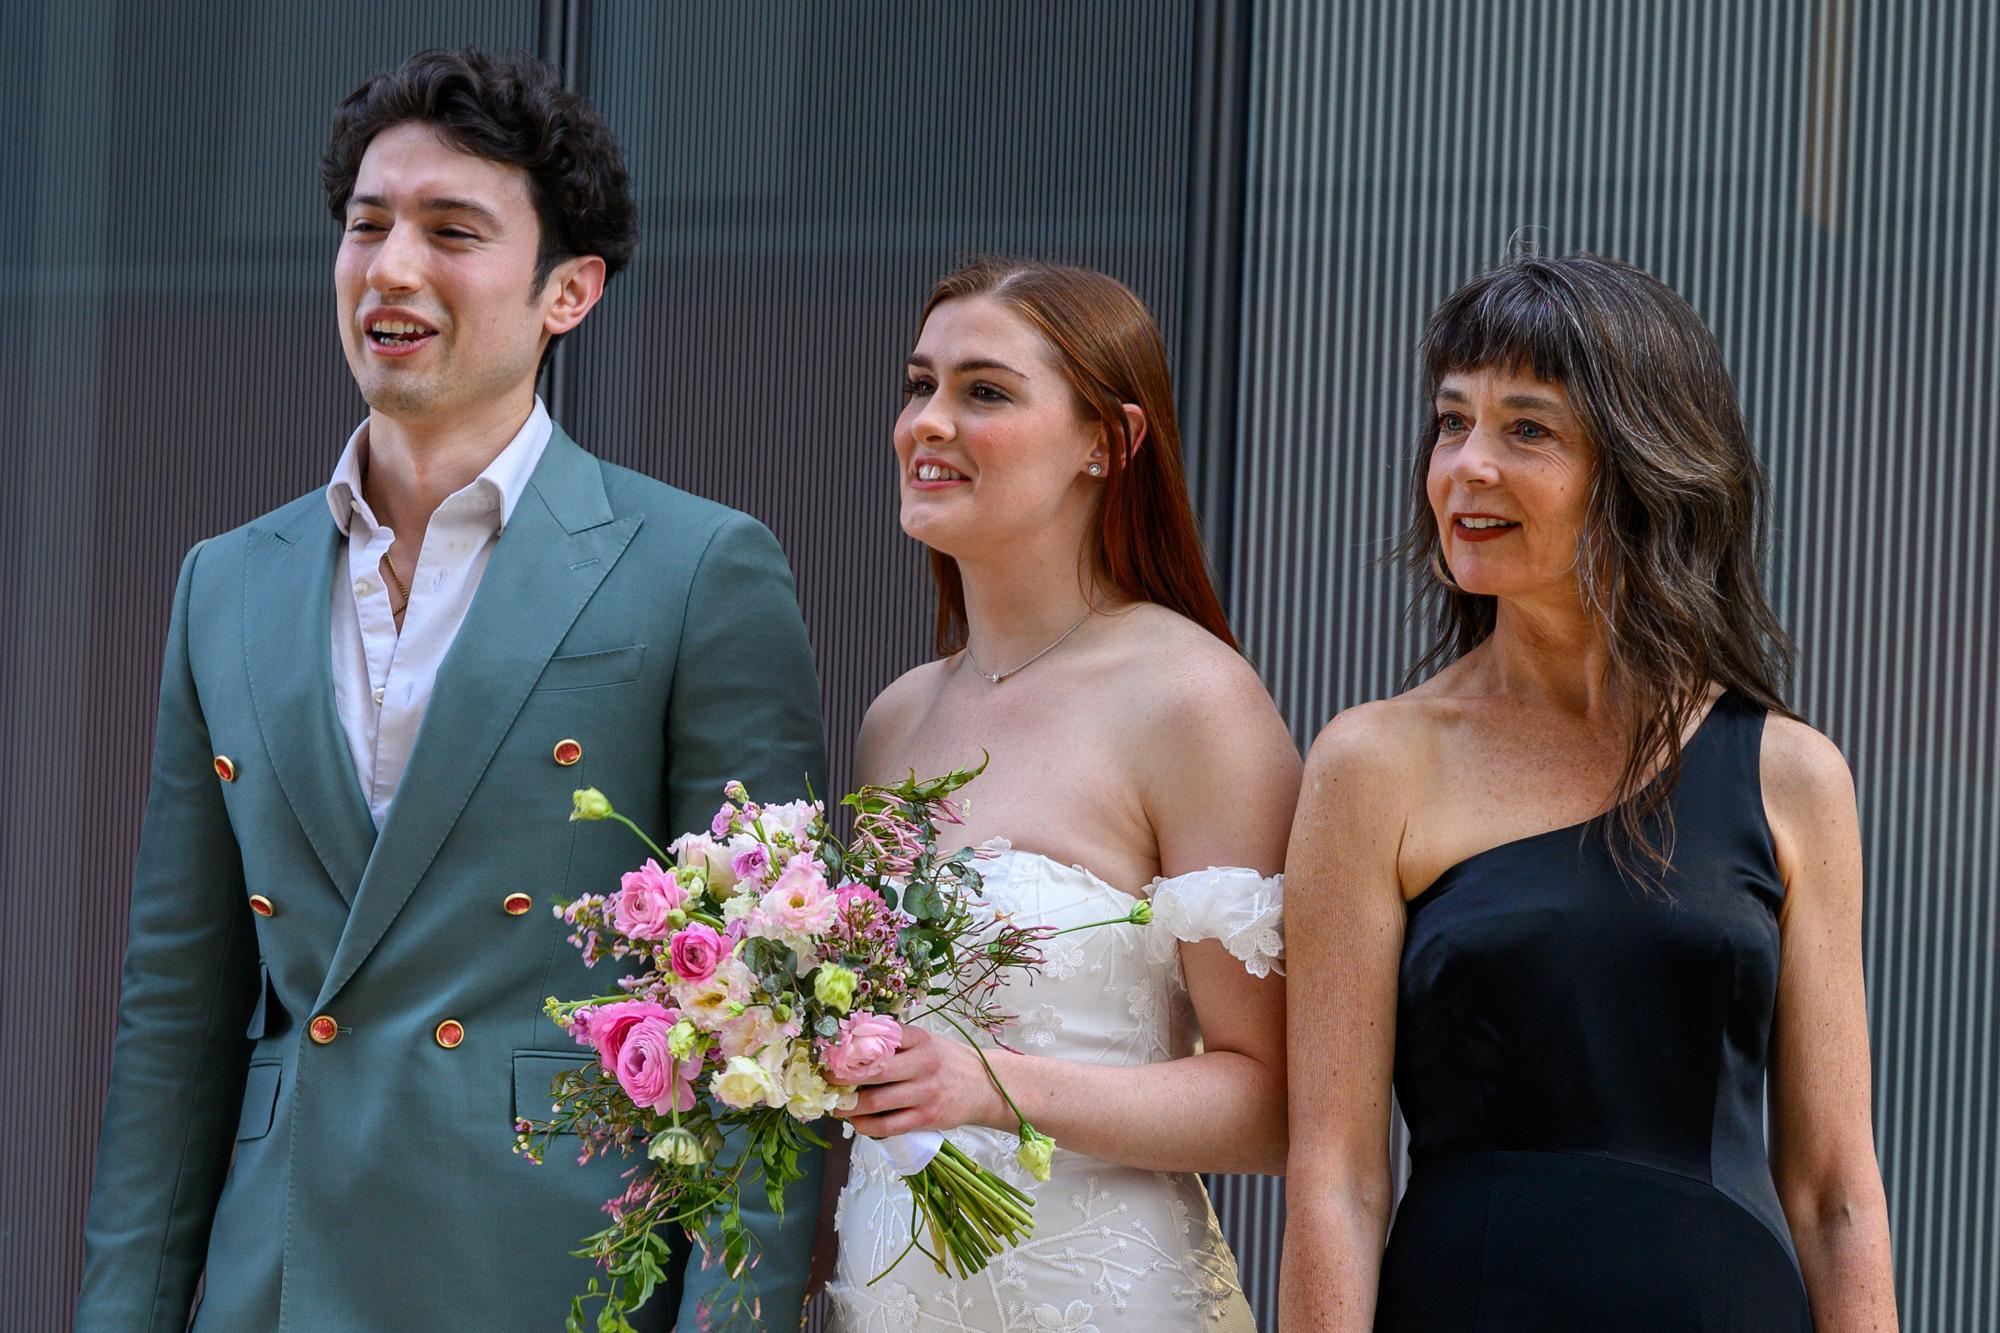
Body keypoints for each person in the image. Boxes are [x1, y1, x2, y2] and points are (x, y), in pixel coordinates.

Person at [75, 48, 824, 1331]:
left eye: (452, 231)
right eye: (367, 225)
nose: (392, 267)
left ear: (568, 291)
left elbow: (764, 1019)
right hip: (280, 1273)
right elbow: (177, 1009)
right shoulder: (225, 582)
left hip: (552, 1268)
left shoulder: (698, 566)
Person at [1280, 253, 1898, 1330]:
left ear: (1644, 463)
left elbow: (1835, 1192)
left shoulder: (1792, 774)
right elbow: (1336, 1176)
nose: (1466, 465)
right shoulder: (1371, 763)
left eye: (1526, 429)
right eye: (1451, 421)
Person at [823, 258, 1302, 1330]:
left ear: (1109, 442)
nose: (926, 421)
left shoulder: (1193, 700)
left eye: (984, 391)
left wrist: (996, 1085)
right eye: (919, 384)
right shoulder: (895, 720)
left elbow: (1273, 1102)